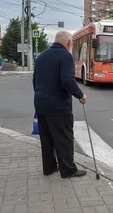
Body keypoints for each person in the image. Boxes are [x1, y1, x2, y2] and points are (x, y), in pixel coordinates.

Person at [33, 30, 88, 178]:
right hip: (58, 106)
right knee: (64, 137)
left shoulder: (41, 56)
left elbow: (35, 81)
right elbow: (67, 80)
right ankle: (68, 169)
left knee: (46, 138)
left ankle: (49, 168)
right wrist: (80, 95)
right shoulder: (65, 56)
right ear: (69, 43)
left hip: (41, 103)